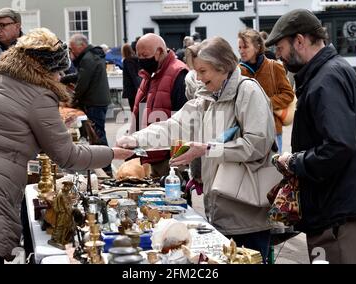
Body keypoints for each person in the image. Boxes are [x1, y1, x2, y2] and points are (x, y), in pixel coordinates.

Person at [0, 28, 133, 264]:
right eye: (58, 71)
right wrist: (112, 153)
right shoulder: (38, 94)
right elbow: (68, 156)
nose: (60, 77)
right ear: (45, 69)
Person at [118, 36, 276, 262]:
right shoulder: (207, 98)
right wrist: (135, 140)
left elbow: (257, 145)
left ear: (222, 67)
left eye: (203, 71)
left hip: (247, 212)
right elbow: (174, 126)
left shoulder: (247, 92)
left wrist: (206, 149)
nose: (198, 78)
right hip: (220, 207)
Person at [266, 9, 356, 264]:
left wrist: (294, 162)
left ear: (299, 41)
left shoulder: (326, 78)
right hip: (336, 208)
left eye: (280, 46)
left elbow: (338, 145)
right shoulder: (325, 72)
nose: (278, 55)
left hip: (340, 214)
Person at [131, 33, 188, 177]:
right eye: (139, 56)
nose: (142, 60)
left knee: (175, 195)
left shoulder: (178, 73)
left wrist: (178, 158)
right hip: (151, 151)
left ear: (160, 51)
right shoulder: (150, 74)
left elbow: (183, 119)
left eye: (145, 55)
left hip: (168, 157)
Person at [238, 28, 295, 154]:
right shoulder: (237, 72)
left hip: (273, 130)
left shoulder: (274, 67)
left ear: (257, 47)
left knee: (276, 169)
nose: (241, 51)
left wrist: (266, 103)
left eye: (245, 47)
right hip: (247, 132)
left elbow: (288, 94)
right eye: (240, 47)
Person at [67, 34, 112, 175]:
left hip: (94, 102)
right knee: (96, 133)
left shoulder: (88, 58)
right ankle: (102, 164)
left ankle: (106, 167)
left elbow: (82, 83)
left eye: (73, 48)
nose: (71, 52)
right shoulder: (92, 56)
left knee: (97, 134)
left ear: (82, 46)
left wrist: (73, 101)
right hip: (98, 100)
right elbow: (82, 76)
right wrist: (64, 79)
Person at [121, 43, 141, 112]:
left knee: (133, 108)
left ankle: (135, 122)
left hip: (131, 88)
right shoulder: (136, 59)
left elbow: (132, 75)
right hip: (136, 87)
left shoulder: (127, 61)